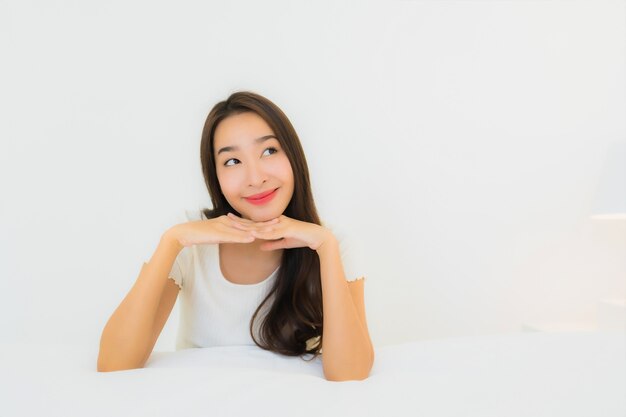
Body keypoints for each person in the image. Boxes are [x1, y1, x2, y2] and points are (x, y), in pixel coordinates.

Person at [97, 91, 374, 381]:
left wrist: (325, 248)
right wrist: (172, 241)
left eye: (269, 151)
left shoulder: (331, 243)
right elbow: (115, 363)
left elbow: (349, 374)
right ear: (214, 175)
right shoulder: (190, 238)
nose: (255, 178)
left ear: (293, 155)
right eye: (232, 161)